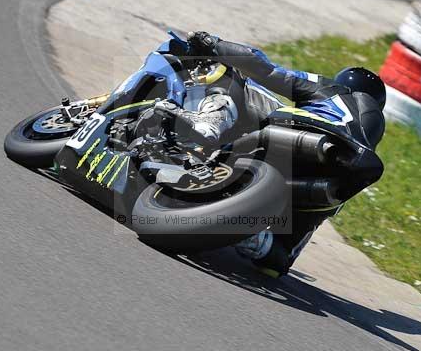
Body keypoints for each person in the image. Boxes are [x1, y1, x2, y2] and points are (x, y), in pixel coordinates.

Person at [153, 31, 386, 277]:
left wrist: (216, 45)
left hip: (304, 132)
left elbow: (267, 70)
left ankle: (211, 123)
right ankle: (250, 237)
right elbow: (280, 262)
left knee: (235, 76)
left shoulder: (334, 90)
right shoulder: (352, 170)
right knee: (280, 255)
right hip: (324, 182)